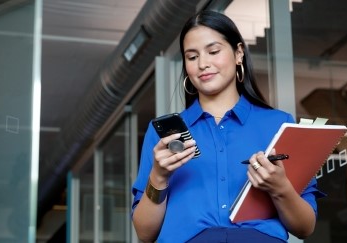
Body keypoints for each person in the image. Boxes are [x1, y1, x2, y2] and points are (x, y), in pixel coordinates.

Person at [131, 10, 322, 243]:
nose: (203, 64)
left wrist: (280, 187)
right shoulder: (163, 137)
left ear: (238, 53)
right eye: (192, 57)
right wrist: (159, 177)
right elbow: (144, 233)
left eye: (213, 51)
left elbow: (305, 226)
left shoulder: (278, 125)